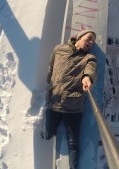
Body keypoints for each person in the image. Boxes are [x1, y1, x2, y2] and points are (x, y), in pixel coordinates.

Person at [41, 30, 97, 169]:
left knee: (73, 144)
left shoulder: (89, 58)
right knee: (47, 135)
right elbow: (51, 66)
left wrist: (87, 78)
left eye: (93, 42)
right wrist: (49, 82)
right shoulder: (59, 49)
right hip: (54, 102)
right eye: (89, 38)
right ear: (79, 37)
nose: (90, 43)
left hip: (73, 107)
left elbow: (90, 70)